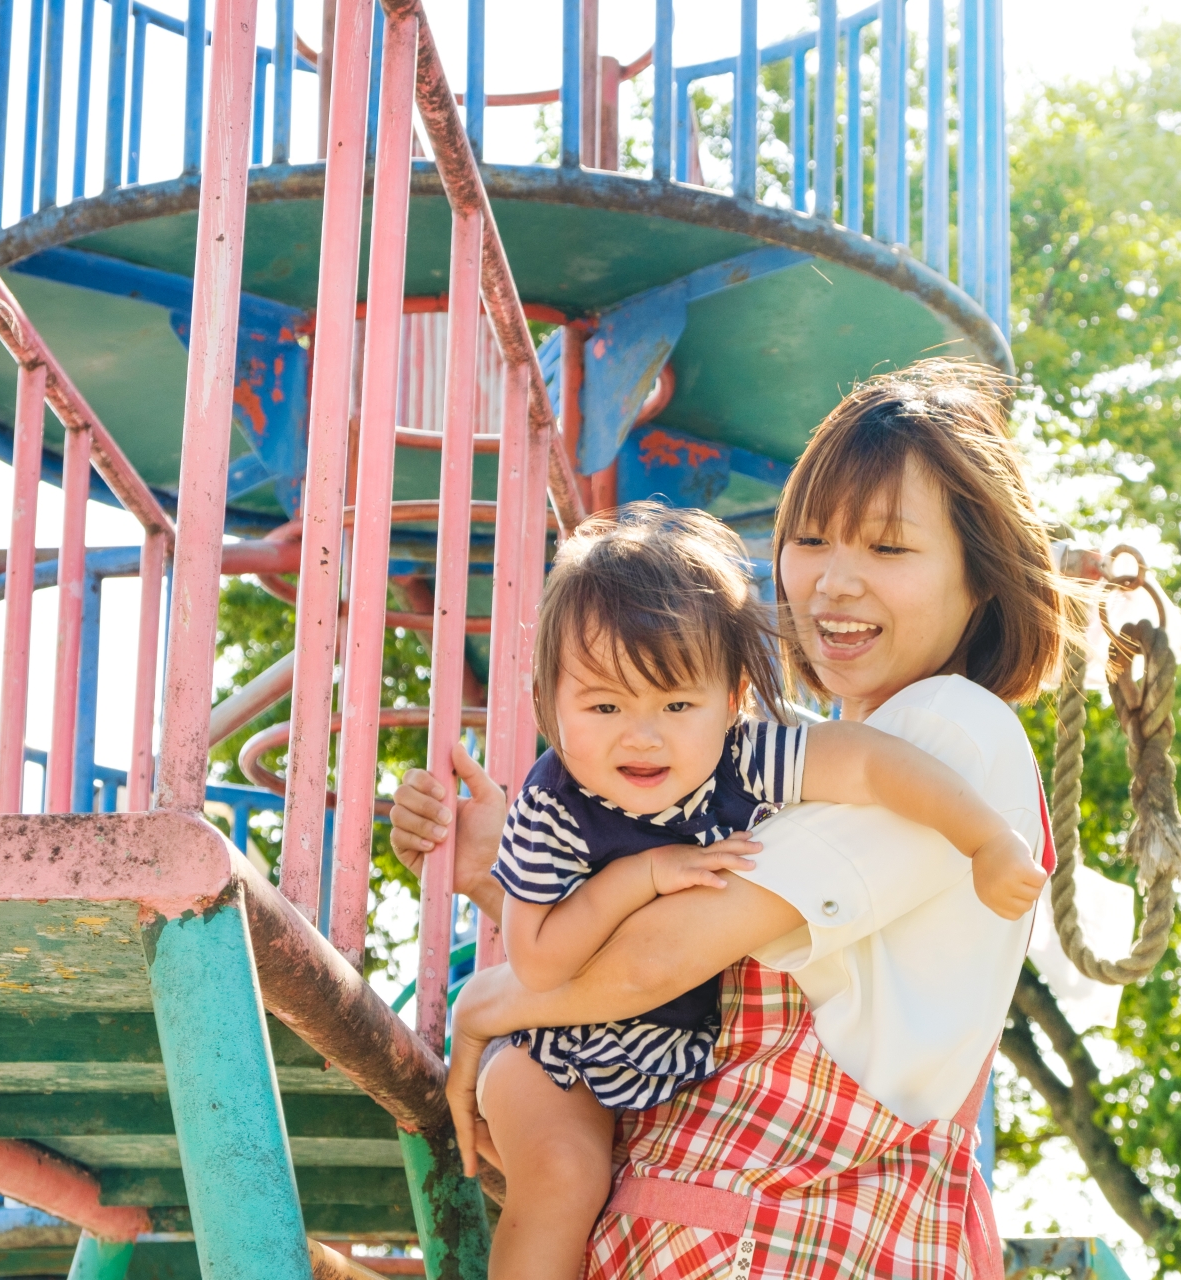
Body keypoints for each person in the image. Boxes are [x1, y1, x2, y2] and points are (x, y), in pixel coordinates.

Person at [391, 360, 1070, 1278]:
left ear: (981, 579)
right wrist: (501, 873)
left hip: (782, 1228)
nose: (834, 582)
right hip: (730, 1219)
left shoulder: (945, 734)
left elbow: (665, 952)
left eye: (888, 549)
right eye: (813, 539)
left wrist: (488, 1003)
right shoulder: (806, 761)